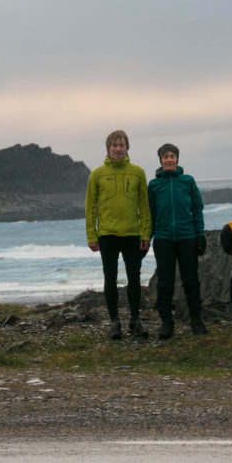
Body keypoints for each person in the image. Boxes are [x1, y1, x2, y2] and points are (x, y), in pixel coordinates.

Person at [85, 129, 152, 340]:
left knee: (134, 278)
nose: (118, 149)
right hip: (107, 235)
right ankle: (115, 322)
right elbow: (90, 208)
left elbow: (145, 206)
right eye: (114, 145)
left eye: (121, 145)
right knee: (110, 278)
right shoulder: (97, 174)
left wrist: (145, 234)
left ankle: (134, 320)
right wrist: (92, 236)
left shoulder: (138, 172)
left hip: (132, 234)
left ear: (127, 148)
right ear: (108, 148)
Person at [147, 143, 206, 340]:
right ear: (161, 160)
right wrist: (147, 238)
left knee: (191, 280)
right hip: (163, 238)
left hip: (187, 237)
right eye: (165, 157)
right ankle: (166, 323)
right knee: (165, 282)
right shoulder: (154, 185)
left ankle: (196, 320)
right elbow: (151, 214)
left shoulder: (188, 181)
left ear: (177, 159)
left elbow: (197, 208)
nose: (169, 160)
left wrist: (200, 234)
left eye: (172, 156)